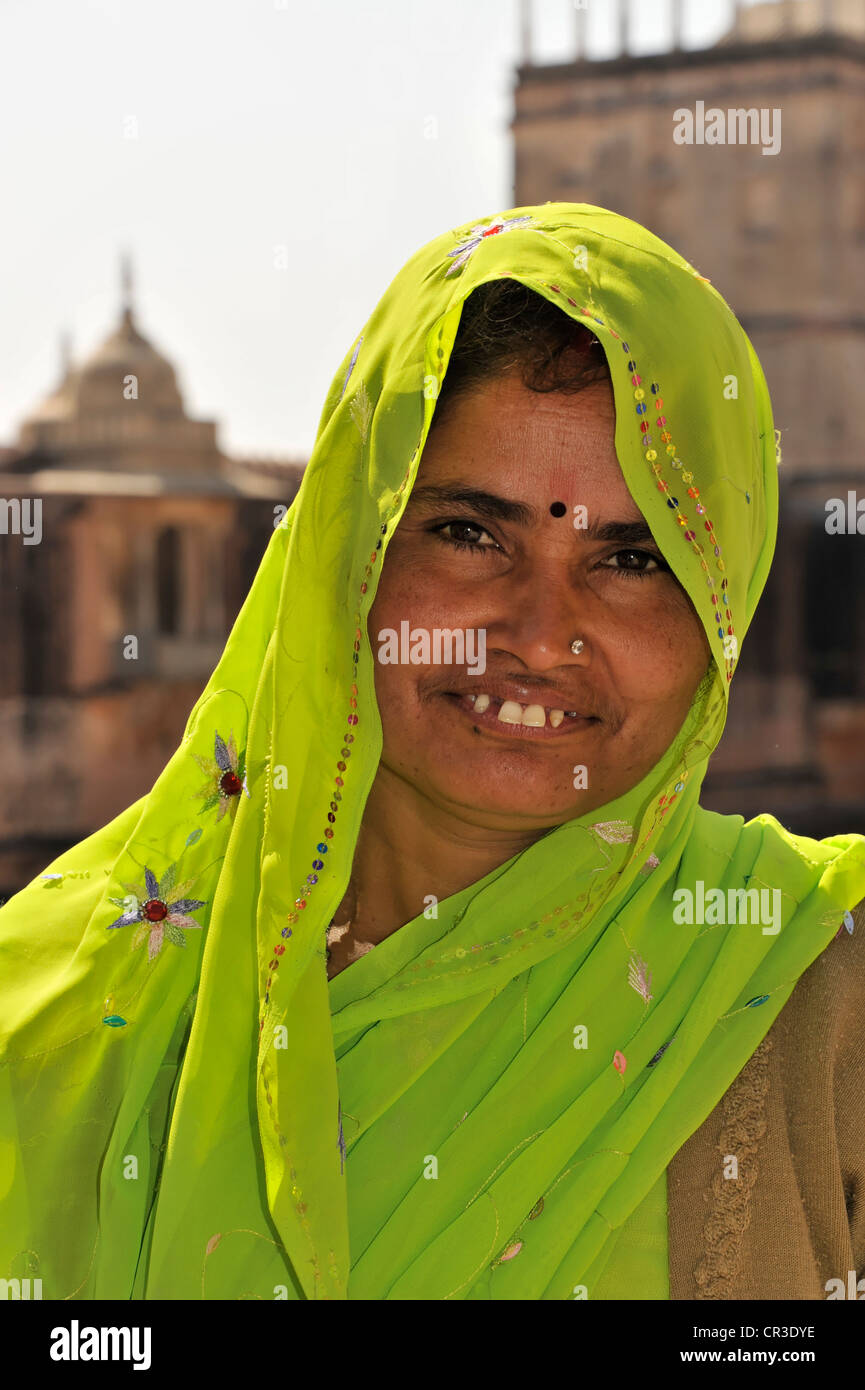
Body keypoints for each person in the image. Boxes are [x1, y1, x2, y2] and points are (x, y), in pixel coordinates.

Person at [2, 203, 864, 1302]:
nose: (541, 633)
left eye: (633, 558)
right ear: (343, 558)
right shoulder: (59, 1007)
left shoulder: (814, 1003)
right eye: (469, 532)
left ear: (722, 603)